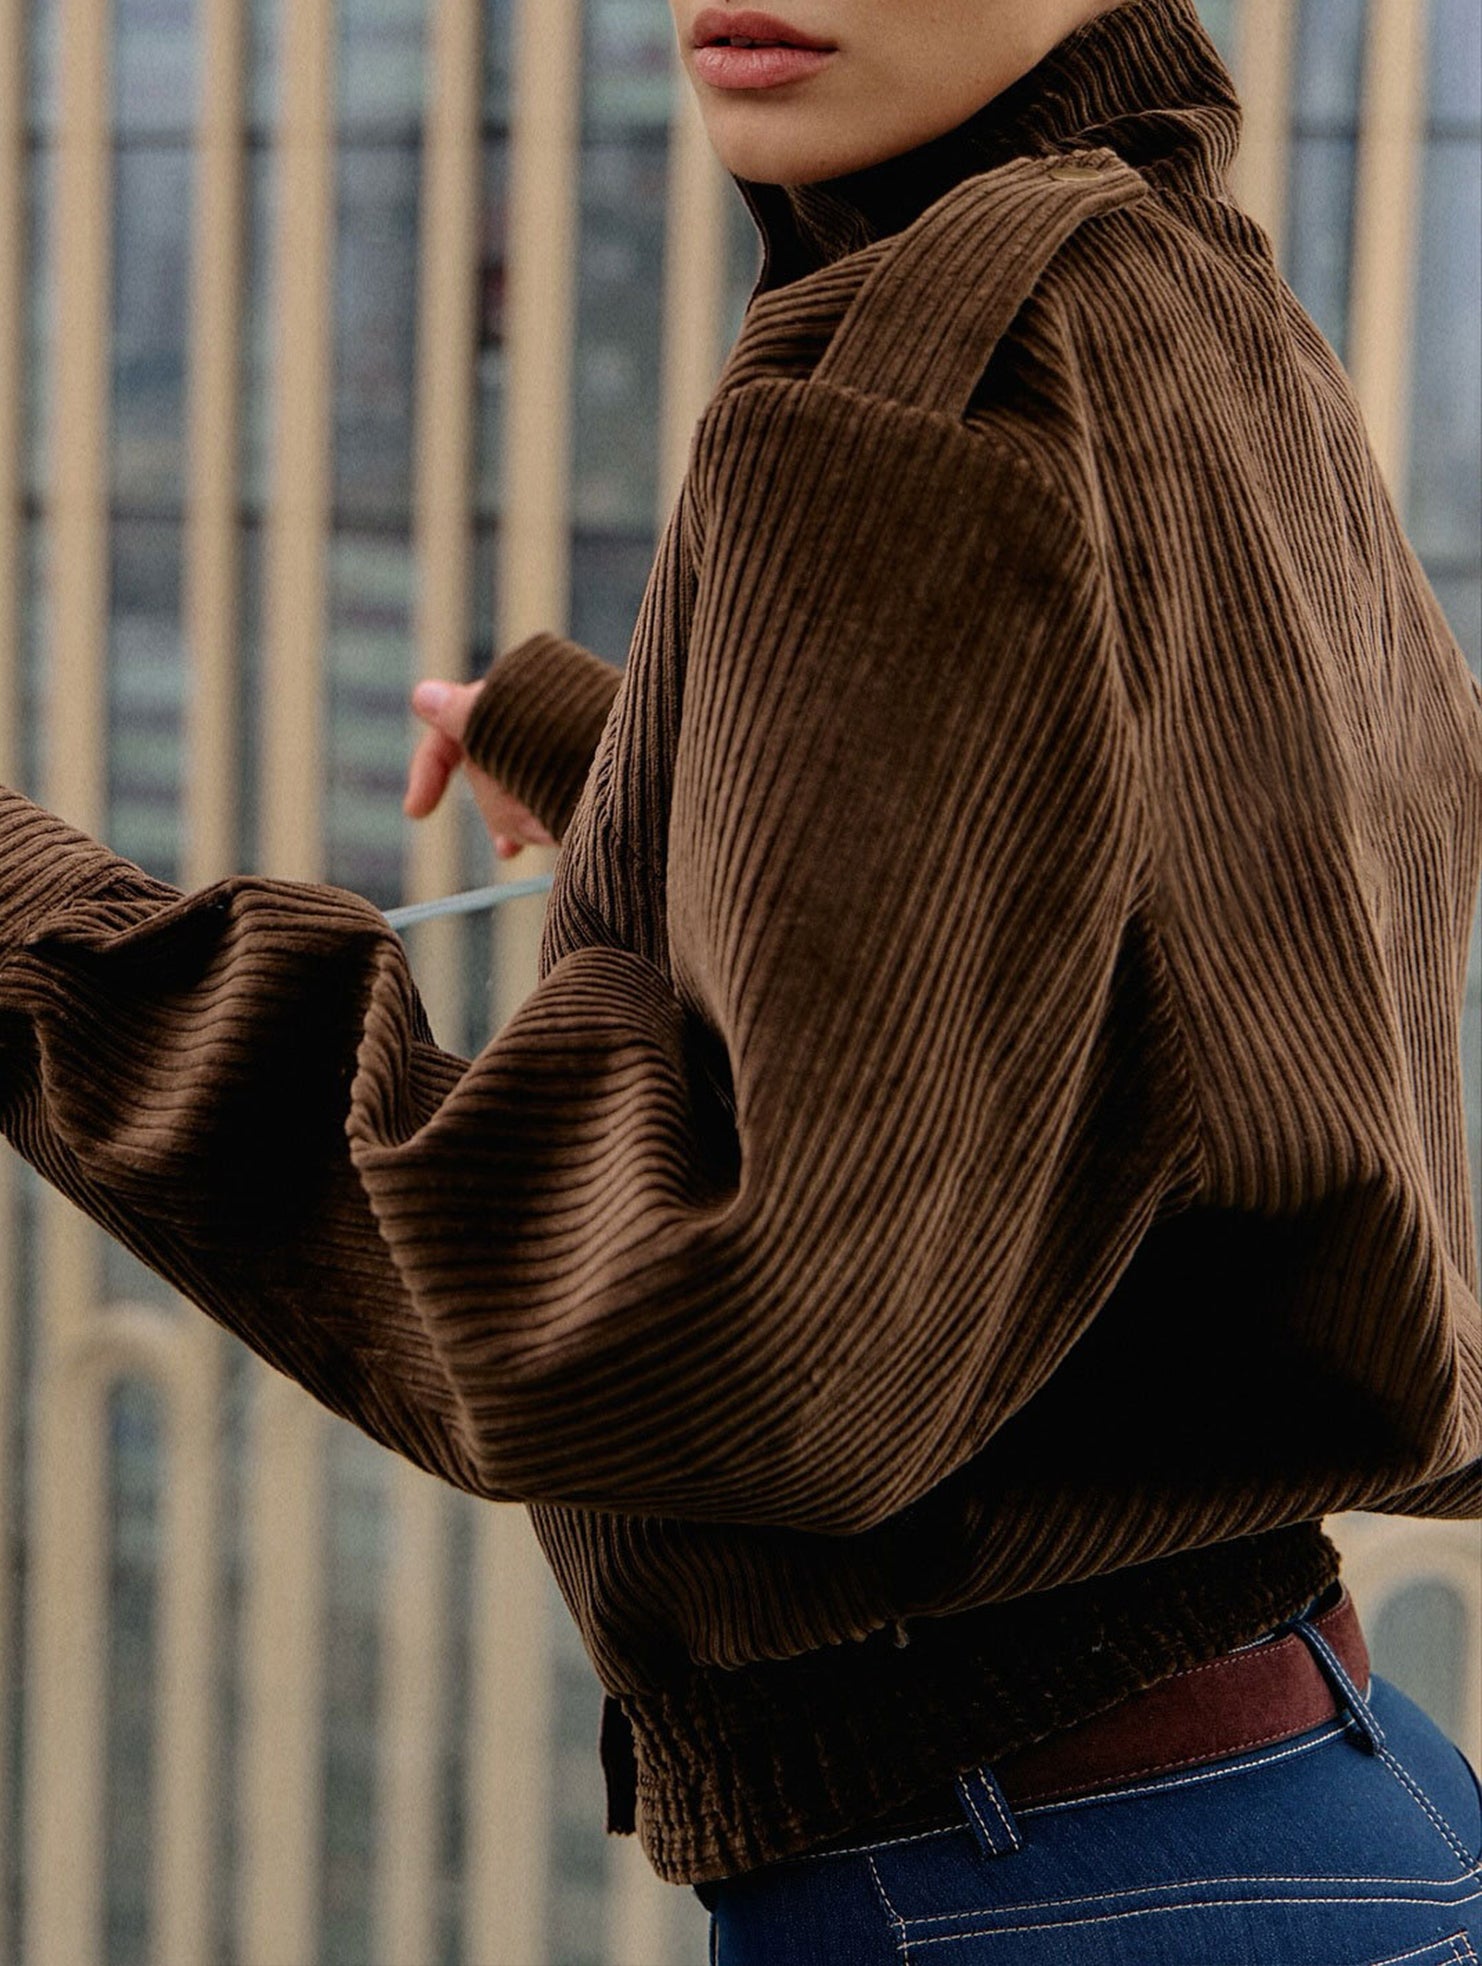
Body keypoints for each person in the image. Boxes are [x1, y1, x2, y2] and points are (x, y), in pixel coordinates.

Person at [2, 0, 1480, 1956]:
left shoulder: (909, 381)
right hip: (1328, 1789)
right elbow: (1213, 918)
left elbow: (712, 1330)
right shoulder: (1181, 286)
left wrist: (42, 938)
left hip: (1017, 1868)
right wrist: (666, 780)